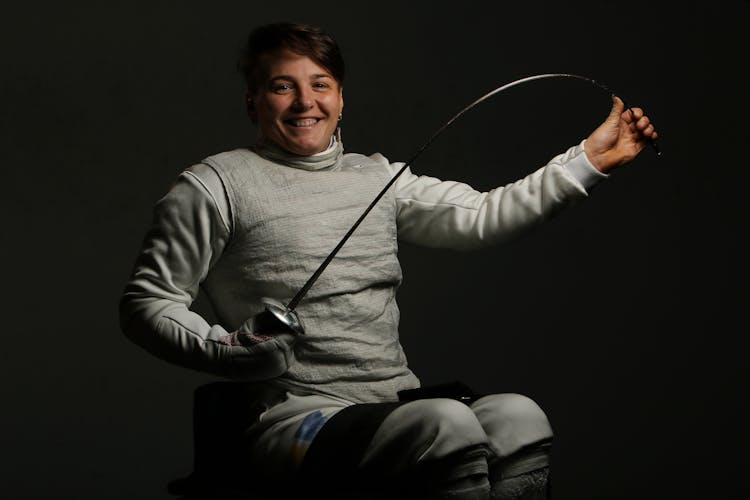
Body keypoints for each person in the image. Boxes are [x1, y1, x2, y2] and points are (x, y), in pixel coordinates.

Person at [119, 22, 657, 500]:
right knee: (445, 424)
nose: (305, 101)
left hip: (392, 406)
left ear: (341, 98)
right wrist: (230, 349)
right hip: (294, 419)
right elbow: (146, 304)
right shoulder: (214, 185)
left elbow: (483, 215)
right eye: (283, 86)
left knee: (519, 416)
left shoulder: (377, 177)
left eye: (320, 84)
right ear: (253, 102)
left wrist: (590, 160)